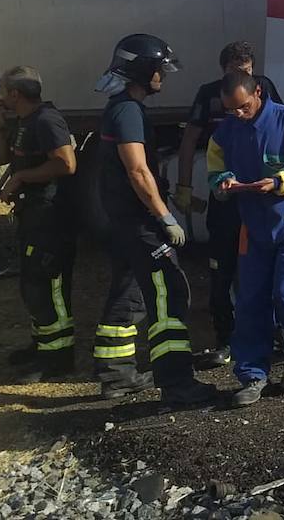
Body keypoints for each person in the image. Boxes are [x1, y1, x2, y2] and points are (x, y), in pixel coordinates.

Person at [92, 34, 215, 405]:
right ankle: (176, 382)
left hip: (125, 221)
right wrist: (166, 218)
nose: (163, 75)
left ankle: (116, 375)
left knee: (128, 293)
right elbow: (138, 172)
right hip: (142, 224)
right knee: (169, 294)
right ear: (142, 71)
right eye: (159, 69)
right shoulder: (128, 111)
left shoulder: (121, 108)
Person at [207, 71, 284, 407]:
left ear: (258, 93)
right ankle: (251, 373)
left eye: (243, 107)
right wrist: (224, 182)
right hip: (254, 225)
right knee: (250, 301)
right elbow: (215, 166)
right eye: (231, 110)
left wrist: (277, 183)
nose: (238, 115)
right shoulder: (226, 131)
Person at [175, 41, 282, 369]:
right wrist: (184, 186)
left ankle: (272, 334)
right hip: (227, 195)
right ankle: (225, 338)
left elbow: (281, 131)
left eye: (247, 71)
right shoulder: (208, 94)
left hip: (261, 196)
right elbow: (191, 138)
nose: (243, 78)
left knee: (268, 266)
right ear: (223, 71)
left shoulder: (265, 88)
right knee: (222, 269)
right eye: (236, 71)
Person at [0, 65, 79, 383]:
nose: (1, 96)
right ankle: (41, 345)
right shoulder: (23, 122)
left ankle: (58, 358)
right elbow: (2, 158)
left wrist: (21, 177)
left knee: (49, 285)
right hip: (33, 216)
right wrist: (1, 126)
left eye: (3, 90)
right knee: (32, 284)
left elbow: (65, 162)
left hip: (51, 218)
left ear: (14, 93)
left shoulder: (47, 120)